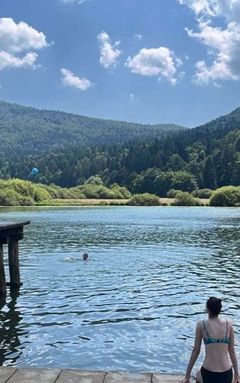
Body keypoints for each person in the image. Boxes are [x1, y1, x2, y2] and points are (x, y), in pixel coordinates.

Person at [182, 297, 239, 383]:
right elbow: (232, 351)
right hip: (226, 375)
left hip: (208, 374)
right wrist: (237, 375)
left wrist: (187, 375)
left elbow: (196, 351)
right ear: (219, 310)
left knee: (197, 374)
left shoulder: (201, 325)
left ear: (207, 309)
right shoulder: (229, 324)